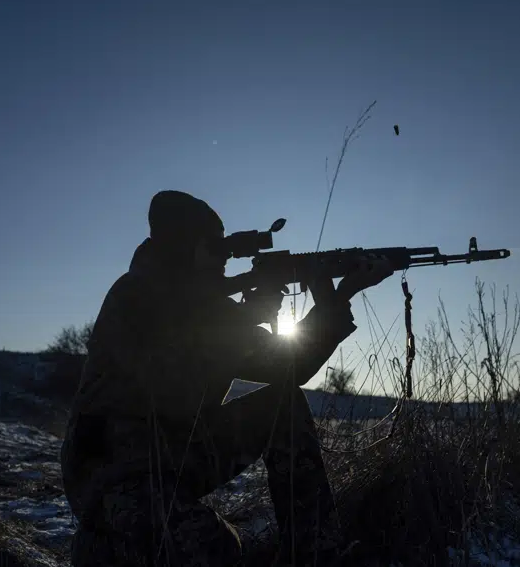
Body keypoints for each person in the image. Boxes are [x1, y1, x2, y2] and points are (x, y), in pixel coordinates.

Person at [60, 190, 393, 566]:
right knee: (214, 548)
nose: (224, 260)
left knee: (282, 400)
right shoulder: (134, 296)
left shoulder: (209, 305)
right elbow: (173, 376)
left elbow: (286, 370)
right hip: (111, 478)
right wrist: (246, 316)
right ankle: (102, 545)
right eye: (214, 249)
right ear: (182, 247)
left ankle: (315, 552)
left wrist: (337, 297)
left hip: (169, 458)